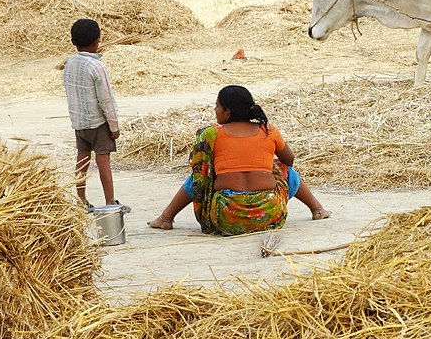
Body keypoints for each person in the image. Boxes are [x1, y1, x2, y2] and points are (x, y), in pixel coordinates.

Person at [147, 85, 330, 234]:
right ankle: (317, 209)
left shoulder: (211, 134)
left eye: (217, 106)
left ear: (227, 112)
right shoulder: (268, 130)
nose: (215, 110)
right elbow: (289, 159)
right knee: (286, 171)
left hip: (225, 216)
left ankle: (166, 218)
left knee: (198, 177)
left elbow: (199, 171)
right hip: (269, 213)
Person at [64, 18, 130, 212]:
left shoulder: (69, 64)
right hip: (98, 123)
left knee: (82, 160)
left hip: (79, 122)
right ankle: (110, 202)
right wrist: (114, 126)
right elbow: (106, 99)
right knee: (103, 163)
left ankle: (81, 200)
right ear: (97, 41)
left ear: (73, 41)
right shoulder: (97, 67)